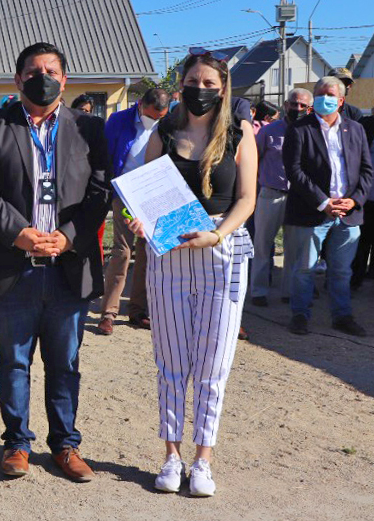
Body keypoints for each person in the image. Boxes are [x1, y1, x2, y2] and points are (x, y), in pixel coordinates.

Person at [0, 43, 110, 483]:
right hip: (15, 264)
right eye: (33, 71)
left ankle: (66, 445)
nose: (42, 77)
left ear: (65, 80)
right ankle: (16, 443)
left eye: (51, 70)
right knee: (14, 360)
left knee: (65, 362)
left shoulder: (89, 127)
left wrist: (67, 238)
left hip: (69, 265)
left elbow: (100, 192)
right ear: (18, 80)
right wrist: (21, 233)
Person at [129, 51, 258, 497]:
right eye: (191, 81)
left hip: (221, 253)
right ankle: (170, 455)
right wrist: (139, 218)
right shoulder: (164, 132)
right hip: (168, 254)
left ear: (222, 88)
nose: (199, 90)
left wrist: (218, 233)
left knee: (213, 364)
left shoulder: (241, 134)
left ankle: (203, 460)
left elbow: (246, 199)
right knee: (171, 362)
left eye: (208, 83)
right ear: (180, 84)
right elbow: (143, 189)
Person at [283, 76, 373, 337]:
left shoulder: (355, 130)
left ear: (341, 100)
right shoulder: (300, 129)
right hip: (312, 212)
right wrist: (323, 202)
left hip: (348, 213)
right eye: (319, 94)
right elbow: (294, 171)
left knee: (342, 270)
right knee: (304, 269)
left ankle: (342, 316)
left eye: (329, 94)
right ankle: (300, 314)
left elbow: (367, 170)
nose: (324, 99)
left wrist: (355, 199)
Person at [94, 88, 170, 336]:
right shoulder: (118, 121)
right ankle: (108, 313)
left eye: (160, 116)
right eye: (150, 115)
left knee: (147, 252)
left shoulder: (170, 124)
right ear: (140, 105)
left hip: (154, 194)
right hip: (124, 193)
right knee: (122, 252)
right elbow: (104, 156)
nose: (154, 121)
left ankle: (138, 311)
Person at [249, 88, 312, 306]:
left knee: (294, 248)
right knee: (262, 245)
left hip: (298, 197)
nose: (298, 108)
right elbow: (254, 160)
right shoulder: (269, 131)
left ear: (309, 108)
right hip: (270, 194)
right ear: (285, 105)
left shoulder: (310, 132)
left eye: (303, 105)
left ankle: (288, 292)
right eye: (294, 104)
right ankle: (258, 291)